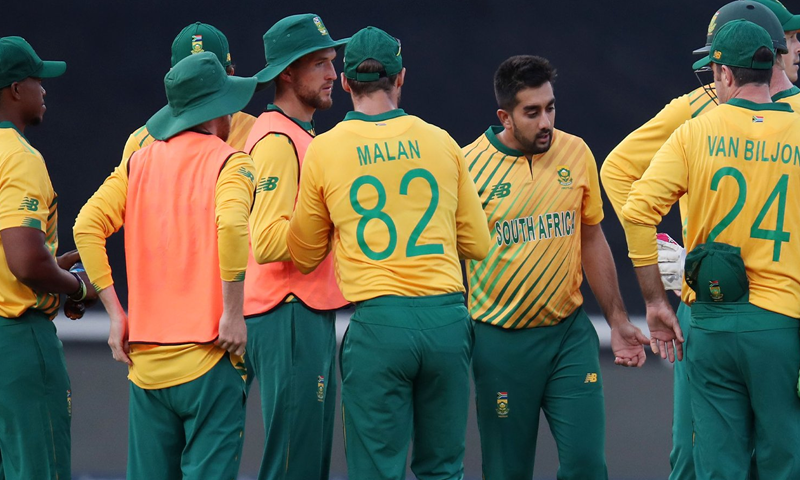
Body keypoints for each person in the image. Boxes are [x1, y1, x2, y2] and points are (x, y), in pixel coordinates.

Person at [600, 2, 799, 477]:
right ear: (774, 52)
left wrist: (657, 278)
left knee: (708, 460)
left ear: (725, 71)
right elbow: (619, 170)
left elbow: (633, 199)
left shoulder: (697, 121)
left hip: (710, 308)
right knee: (781, 458)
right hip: (781, 316)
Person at [287, 26, 491, 480]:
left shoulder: (324, 149)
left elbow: (303, 255)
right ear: (400, 78)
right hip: (446, 321)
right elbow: (478, 244)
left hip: (378, 326)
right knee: (443, 469)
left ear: (345, 83)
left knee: (376, 471)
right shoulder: (441, 141)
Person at [462, 55, 648, 480]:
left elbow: (591, 237)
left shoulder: (576, 152)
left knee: (588, 467)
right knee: (506, 472)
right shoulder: (467, 166)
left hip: (568, 336)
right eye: (532, 112)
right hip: (501, 344)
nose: (545, 121)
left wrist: (618, 320)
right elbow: (452, 255)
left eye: (550, 108)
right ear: (504, 117)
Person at [73, 52, 257, 480]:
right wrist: (232, 313)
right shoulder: (231, 161)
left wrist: (116, 314)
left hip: (147, 366)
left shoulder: (138, 161)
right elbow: (232, 225)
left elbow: (86, 226)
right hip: (211, 358)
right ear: (219, 109)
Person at [242, 14, 349, 480]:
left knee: (307, 461)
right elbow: (267, 241)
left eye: (333, 62)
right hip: (286, 310)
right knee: (294, 463)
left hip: (302, 309)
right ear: (287, 73)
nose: (333, 74)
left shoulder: (298, 134)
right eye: (320, 63)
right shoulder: (276, 140)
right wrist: (334, 226)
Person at [0, 35, 96, 480]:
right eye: (37, 79)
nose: (44, 89)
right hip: (17, 342)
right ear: (15, 89)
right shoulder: (18, 157)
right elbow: (24, 262)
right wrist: (76, 286)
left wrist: (48, 265)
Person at [120, 22, 256, 159]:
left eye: (209, 77)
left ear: (230, 75)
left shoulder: (258, 135)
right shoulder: (141, 144)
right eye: (190, 78)